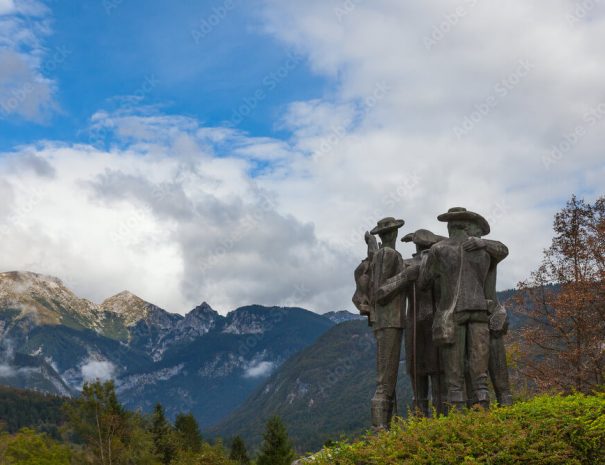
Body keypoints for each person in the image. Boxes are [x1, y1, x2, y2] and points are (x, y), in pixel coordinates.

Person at [418, 207, 496, 409]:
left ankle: (457, 415)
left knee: (454, 372)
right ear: (467, 226)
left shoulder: (439, 249)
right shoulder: (484, 250)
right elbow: (503, 250)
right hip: (479, 310)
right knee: (480, 371)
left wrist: (425, 262)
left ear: (449, 226)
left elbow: (424, 282)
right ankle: (482, 410)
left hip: (452, 312)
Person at [464, 221, 513, 406]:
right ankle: (477, 407)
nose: (466, 229)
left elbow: (503, 249)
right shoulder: (457, 251)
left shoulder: (488, 251)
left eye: (470, 226)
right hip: (469, 315)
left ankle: (505, 403)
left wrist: (482, 243)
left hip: (490, 313)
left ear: (479, 231)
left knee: (496, 361)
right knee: (471, 365)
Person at [368, 217, 406, 429]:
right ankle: (380, 428)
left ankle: (384, 426)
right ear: (393, 233)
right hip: (389, 320)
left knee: (388, 376)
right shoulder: (387, 254)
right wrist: (406, 276)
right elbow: (381, 291)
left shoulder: (384, 254)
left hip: (392, 320)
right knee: (385, 378)